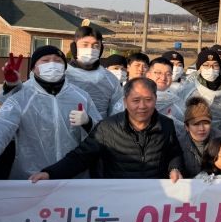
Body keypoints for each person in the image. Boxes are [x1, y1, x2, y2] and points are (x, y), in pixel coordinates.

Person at [0, 46, 101, 182]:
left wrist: (88, 122)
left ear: (65, 67)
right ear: (33, 68)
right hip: (31, 179)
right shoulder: (21, 97)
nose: (52, 64)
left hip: (73, 177)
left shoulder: (81, 96)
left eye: (58, 61)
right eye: (45, 61)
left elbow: (103, 133)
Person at [29, 77, 185, 182]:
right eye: (136, 100)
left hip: (152, 198)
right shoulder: (107, 127)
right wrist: (50, 173)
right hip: (116, 198)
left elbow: (174, 152)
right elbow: (80, 157)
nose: (142, 106)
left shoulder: (166, 125)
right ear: (125, 102)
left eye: (148, 100)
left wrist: (175, 168)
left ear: (155, 100)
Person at [182, 49, 221, 132]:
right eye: (206, 65)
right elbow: (182, 119)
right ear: (199, 68)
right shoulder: (188, 91)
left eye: (215, 65)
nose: (211, 69)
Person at [179, 97, 221, 178]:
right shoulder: (179, 144)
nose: (201, 129)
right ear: (186, 127)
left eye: (206, 123)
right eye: (196, 124)